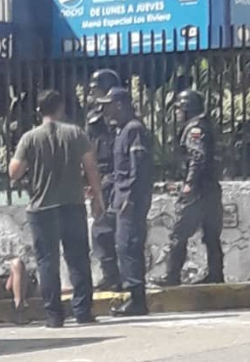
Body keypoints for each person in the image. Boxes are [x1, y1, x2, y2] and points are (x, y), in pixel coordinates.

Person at [9, 90, 104, 328]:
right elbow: (91, 167)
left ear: (39, 110)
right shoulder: (75, 134)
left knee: (47, 262)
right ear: (60, 106)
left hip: (41, 209)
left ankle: (54, 316)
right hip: (72, 204)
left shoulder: (29, 138)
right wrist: (97, 197)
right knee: (78, 259)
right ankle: (83, 311)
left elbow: (14, 172)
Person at [156, 90, 224, 286]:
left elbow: (197, 157)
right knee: (211, 234)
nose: (176, 112)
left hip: (198, 191)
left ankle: (171, 275)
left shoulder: (195, 128)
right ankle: (215, 273)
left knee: (179, 233)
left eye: (178, 108)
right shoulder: (204, 125)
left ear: (187, 108)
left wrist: (189, 184)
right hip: (210, 188)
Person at [98, 87, 154, 316]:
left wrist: (129, 197)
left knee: (128, 245)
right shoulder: (122, 130)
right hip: (120, 195)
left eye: (108, 104)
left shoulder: (134, 130)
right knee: (118, 242)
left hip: (131, 198)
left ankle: (137, 298)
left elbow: (137, 167)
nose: (104, 109)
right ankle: (129, 291)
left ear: (119, 104)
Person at [86, 69, 123, 292]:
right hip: (100, 178)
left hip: (113, 178)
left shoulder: (116, 117)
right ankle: (111, 275)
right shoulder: (94, 117)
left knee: (108, 230)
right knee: (101, 230)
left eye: (96, 88)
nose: (91, 92)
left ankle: (116, 276)